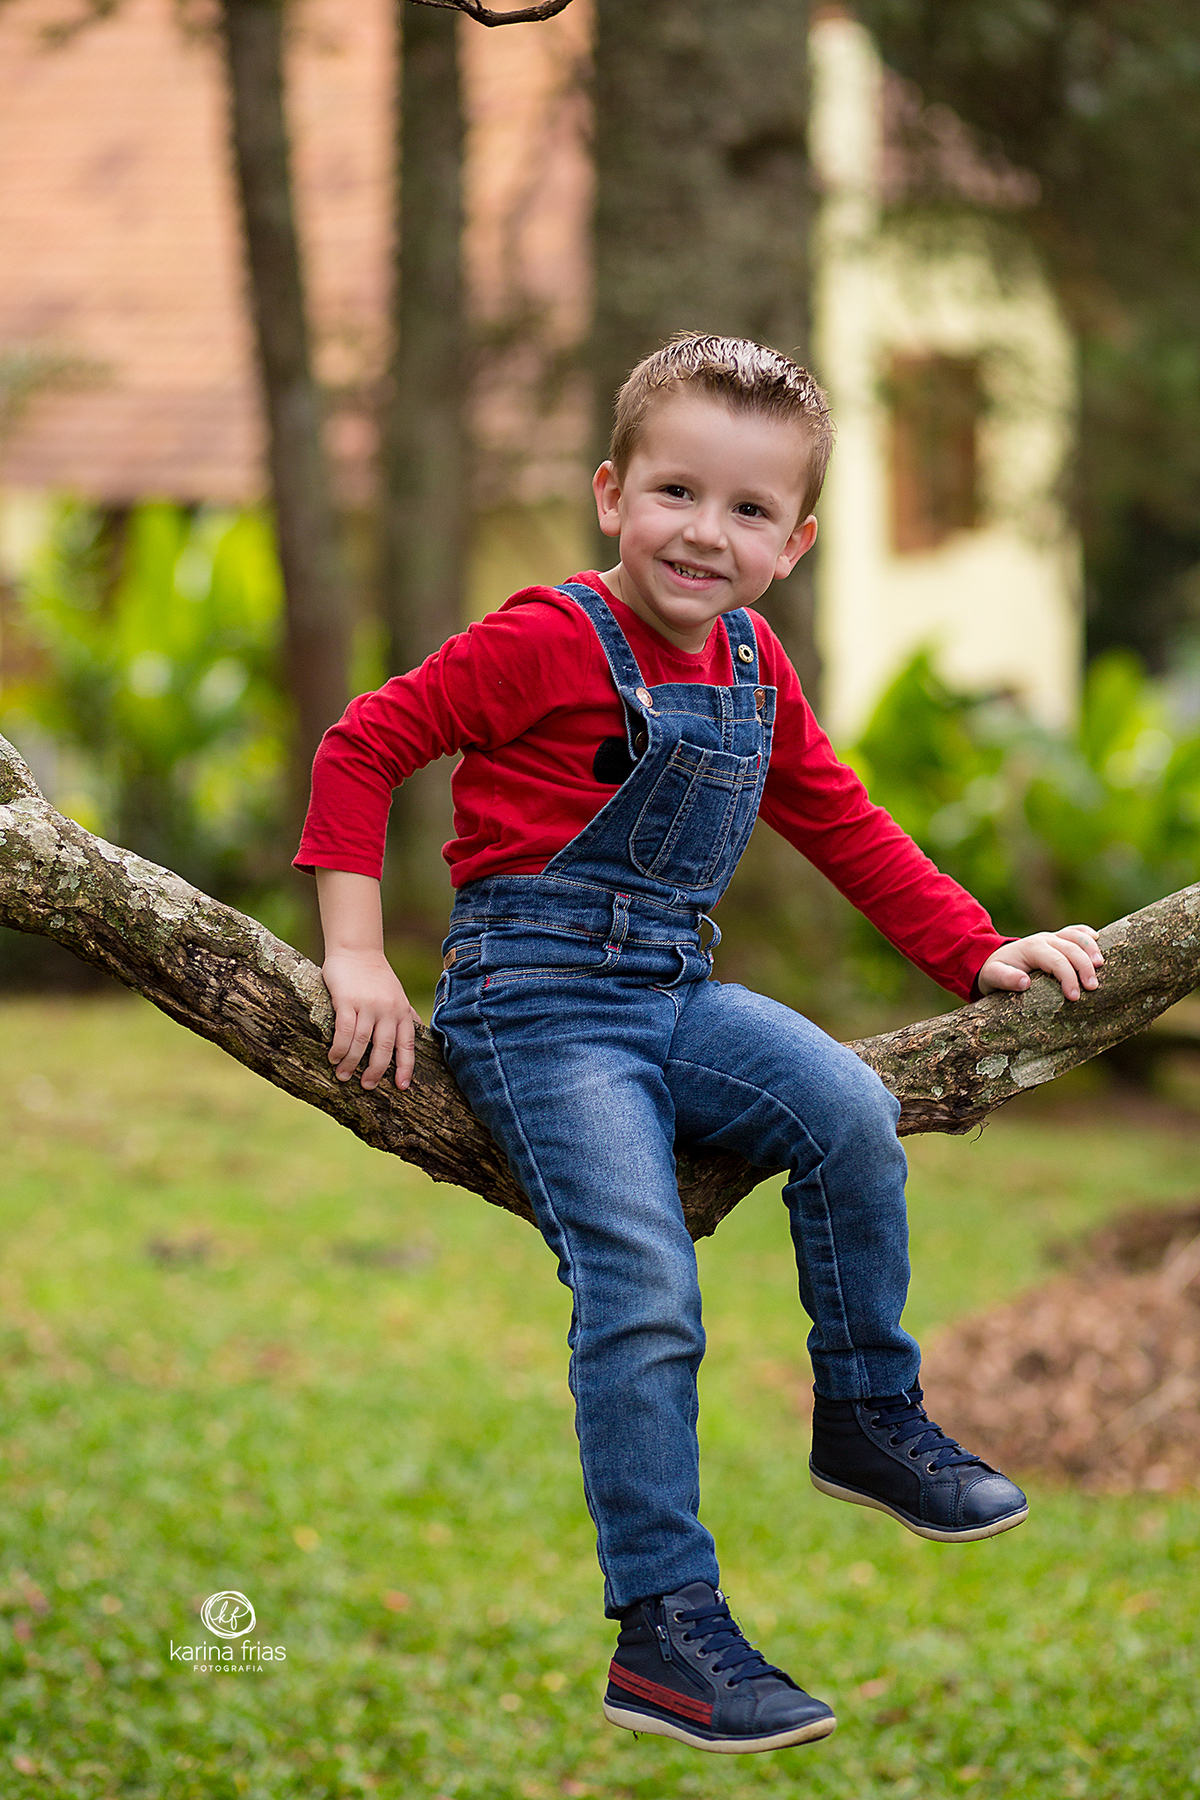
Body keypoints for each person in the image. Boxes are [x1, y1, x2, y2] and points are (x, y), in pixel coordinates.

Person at [296, 334, 1103, 1756]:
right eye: (676, 491)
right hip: (537, 1008)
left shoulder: (751, 660)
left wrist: (975, 947)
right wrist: (356, 955)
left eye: (747, 510)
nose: (704, 533)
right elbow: (365, 743)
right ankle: (665, 1629)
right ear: (612, 493)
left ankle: (867, 1410)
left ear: (792, 546)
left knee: (848, 1110)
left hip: (674, 993)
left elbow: (837, 814)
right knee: (644, 1283)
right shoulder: (543, 638)